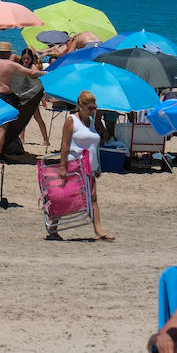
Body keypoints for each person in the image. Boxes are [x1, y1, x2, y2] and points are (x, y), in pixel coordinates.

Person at [44, 89, 113, 241]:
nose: (92, 111)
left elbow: (94, 147)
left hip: (89, 166)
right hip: (73, 164)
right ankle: (53, 227)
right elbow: (64, 144)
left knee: (93, 197)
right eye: (89, 108)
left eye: (94, 108)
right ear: (80, 105)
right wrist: (62, 166)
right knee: (65, 196)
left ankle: (99, 231)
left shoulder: (92, 122)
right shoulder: (71, 120)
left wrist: (97, 167)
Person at [18, 48, 50, 147]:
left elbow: (40, 82)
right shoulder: (21, 66)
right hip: (23, 96)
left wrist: (42, 100)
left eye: (27, 59)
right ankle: (22, 139)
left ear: (31, 58)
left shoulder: (33, 68)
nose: (26, 61)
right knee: (21, 118)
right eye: (24, 59)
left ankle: (46, 140)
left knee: (38, 118)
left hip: (32, 97)